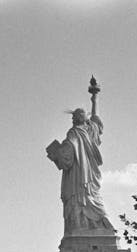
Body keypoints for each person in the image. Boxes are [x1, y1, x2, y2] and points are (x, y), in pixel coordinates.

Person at [46, 82, 114, 234]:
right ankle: (84, 225)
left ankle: (99, 224)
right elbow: (69, 152)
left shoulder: (83, 132)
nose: (76, 118)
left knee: (86, 196)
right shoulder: (79, 132)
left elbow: (67, 154)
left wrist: (94, 99)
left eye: (79, 115)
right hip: (79, 171)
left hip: (84, 172)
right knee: (83, 198)